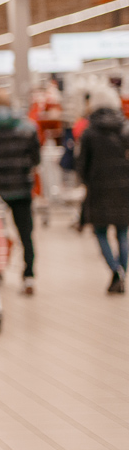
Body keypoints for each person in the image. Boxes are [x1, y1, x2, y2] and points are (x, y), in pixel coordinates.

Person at [0, 89, 41, 295]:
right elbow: (36, 158)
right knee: (26, 234)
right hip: (22, 189)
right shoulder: (28, 126)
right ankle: (29, 276)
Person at [75, 85, 129, 294]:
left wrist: (87, 182)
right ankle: (122, 270)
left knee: (100, 231)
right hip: (124, 188)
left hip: (98, 189)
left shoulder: (89, 132)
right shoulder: (125, 128)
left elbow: (82, 164)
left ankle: (114, 271)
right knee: (123, 233)